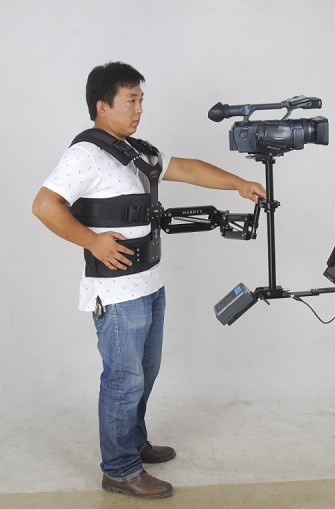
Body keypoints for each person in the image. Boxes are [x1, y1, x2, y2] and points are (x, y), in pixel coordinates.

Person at [32, 61, 266, 500]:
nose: (140, 108)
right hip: (116, 292)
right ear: (102, 106)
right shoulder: (85, 155)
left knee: (145, 372)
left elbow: (187, 169)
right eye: (131, 100)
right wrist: (92, 241)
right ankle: (119, 469)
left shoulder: (136, 151)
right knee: (124, 379)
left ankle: (133, 441)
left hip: (149, 284)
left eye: (141, 99)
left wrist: (237, 183)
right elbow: (44, 205)